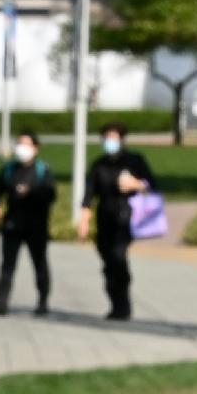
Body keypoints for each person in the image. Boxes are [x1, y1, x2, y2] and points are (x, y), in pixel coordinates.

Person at [76, 126, 143, 320]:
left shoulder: (134, 161)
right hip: (105, 219)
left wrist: (136, 184)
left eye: (114, 138)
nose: (110, 142)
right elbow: (88, 196)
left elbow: (151, 185)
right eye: (107, 138)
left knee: (118, 258)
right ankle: (115, 303)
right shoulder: (99, 165)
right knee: (108, 261)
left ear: (122, 140)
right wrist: (84, 221)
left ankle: (123, 304)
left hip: (126, 219)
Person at [0, 130, 55, 313]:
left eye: (27, 144)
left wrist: (31, 192)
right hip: (13, 222)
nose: (22, 148)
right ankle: (2, 301)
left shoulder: (42, 170)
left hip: (36, 224)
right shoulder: (9, 169)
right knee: (7, 263)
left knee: (39, 263)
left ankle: (43, 301)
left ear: (35, 148)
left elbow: (50, 195)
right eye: (20, 144)